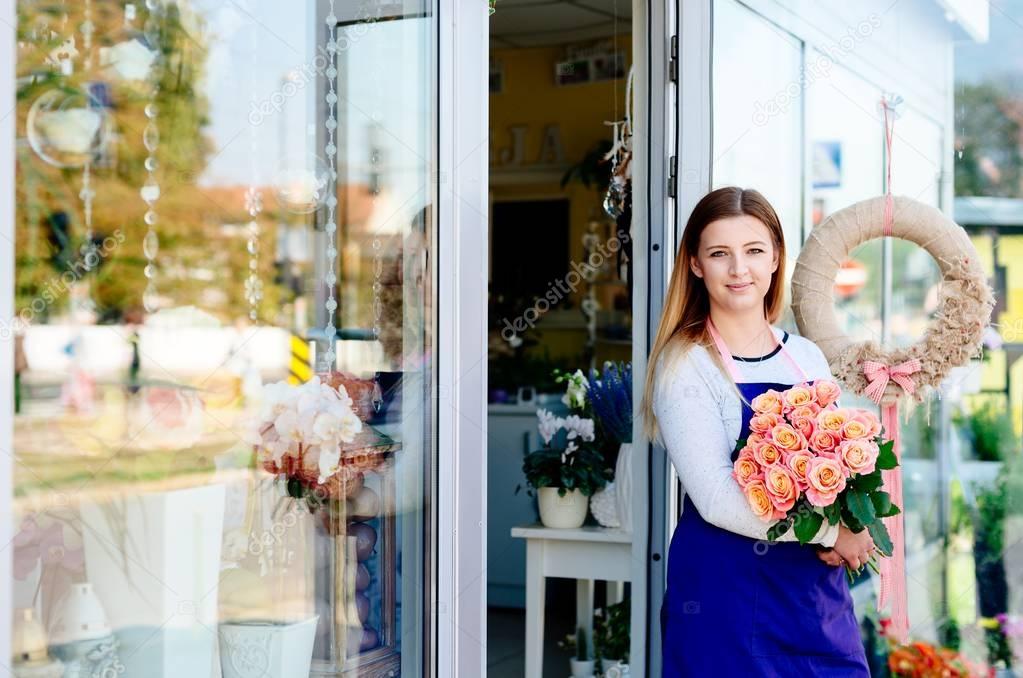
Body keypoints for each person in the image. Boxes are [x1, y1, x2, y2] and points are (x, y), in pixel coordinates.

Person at [640, 187, 874, 675]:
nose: (738, 269)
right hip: (724, 598)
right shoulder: (686, 365)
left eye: (753, 251)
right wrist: (835, 531)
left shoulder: (805, 355)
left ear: (775, 260)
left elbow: (842, 467)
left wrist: (856, 519)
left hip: (812, 598)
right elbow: (718, 498)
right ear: (696, 265)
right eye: (719, 254)